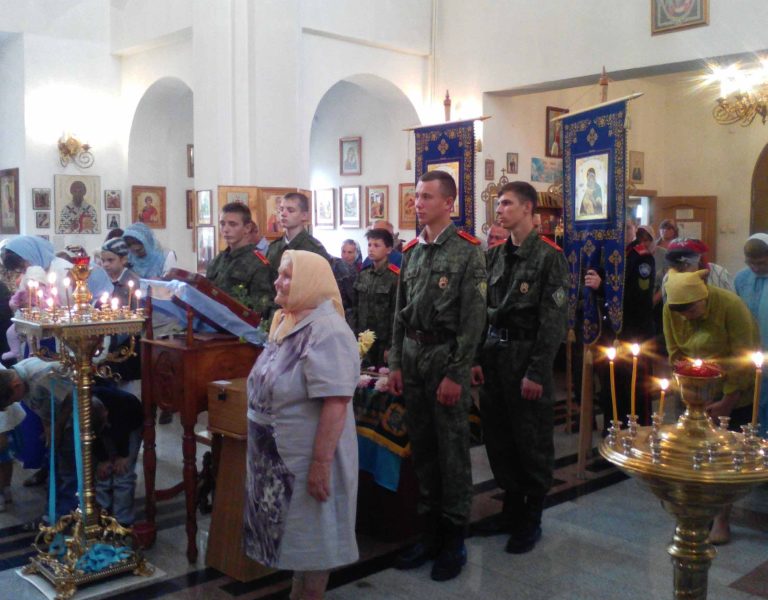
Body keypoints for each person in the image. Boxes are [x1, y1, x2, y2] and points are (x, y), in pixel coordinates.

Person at [388, 170, 487, 582]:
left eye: (427, 196)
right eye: (416, 196)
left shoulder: (467, 252)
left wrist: (456, 374)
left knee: (451, 452)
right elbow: (400, 312)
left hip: (446, 357)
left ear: (449, 203)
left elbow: (472, 320)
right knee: (424, 450)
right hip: (413, 357)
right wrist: (395, 362)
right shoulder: (411, 251)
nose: (418, 203)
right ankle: (428, 534)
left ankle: (453, 539)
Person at [243, 250, 359, 600]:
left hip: (308, 458)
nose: (277, 282)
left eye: (287, 276)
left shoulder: (328, 331)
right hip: (278, 458)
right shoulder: (287, 320)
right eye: (280, 274)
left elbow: (336, 402)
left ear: (310, 282)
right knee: (297, 543)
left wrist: (320, 465)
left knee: (314, 541)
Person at [471, 181, 568, 554]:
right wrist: (477, 358)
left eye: (507, 203)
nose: (500, 210)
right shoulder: (494, 256)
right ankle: (510, 510)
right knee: (500, 437)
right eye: (499, 204)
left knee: (531, 440)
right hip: (496, 356)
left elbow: (553, 321)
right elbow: (483, 312)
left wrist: (538, 372)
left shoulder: (548, 257)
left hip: (527, 356)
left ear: (528, 208)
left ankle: (532, 516)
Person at [663, 269, 759, 544]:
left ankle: (721, 519)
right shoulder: (672, 309)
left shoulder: (731, 306)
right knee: (692, 453)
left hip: (734, 389)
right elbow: (675, 351)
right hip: (693, 391)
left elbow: (743, 356)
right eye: (680, 312)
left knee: (724, 456)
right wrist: (691, 393)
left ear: (703, 297)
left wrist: (727, 401)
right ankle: (694, 513)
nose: (686, 317)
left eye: (691, 310)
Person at [206, 202, 275, 315]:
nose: (225, 229)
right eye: (222, 224)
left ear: (247, 228)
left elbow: (262, 309)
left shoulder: (258, 264)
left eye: (232, 224)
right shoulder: (218, 260)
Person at [93, 385, 143, 526]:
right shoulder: (87, 409)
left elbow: (123, 431)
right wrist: (103, 459)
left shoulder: (122, 404)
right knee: (103, 473)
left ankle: (122, 520)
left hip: (132, 424)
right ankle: (103, 513)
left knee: (123, 473)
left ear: (106, 412)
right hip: (105, 426)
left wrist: (124, 455)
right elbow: (93, 436)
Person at [734, 233, 768, 435]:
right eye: (750, 262)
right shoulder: (741, 278)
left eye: (761, 263)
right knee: (751, 404)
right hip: (748, 352)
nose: (755, 267)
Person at [99, 238, 141, 393]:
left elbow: (136, 315)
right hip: (111, 339)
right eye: (103, 260)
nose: (106, 264)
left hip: (129, 341)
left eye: (110, 260)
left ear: (123, 259)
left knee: (128, 387)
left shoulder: (132, 282)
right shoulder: (106, 280)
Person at [353, 229, 399, 367]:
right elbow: (355, 308)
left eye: (376, 245)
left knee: (381, 377)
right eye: (369, 245)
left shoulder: (394, 277)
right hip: (362, 339)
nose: (371, 249)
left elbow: (396, 314)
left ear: (388, 249)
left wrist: (391, 346)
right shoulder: (363, 274)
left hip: (382, 341)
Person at [266, 193, 330, 277]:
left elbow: (323, 282)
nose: (283, 214)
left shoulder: (314, 250)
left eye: (290, 210)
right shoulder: (274, 248)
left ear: (304, 215)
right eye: (281, 209)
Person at [663, 238, 733, 298]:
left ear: (700, 261)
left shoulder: (719, 274)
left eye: (686, 264)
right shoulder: (668, 278)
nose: (679, 269)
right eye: (674, 264)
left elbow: (732, 302)